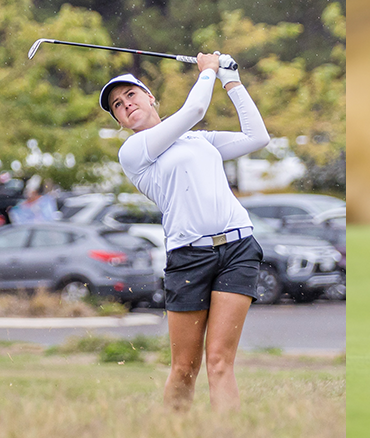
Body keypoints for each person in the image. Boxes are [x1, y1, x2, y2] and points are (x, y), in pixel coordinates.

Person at [100, 53, 270, 410]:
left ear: (151, 99)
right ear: (118, 119)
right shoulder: (134, 152)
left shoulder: (199, 141)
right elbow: (193, 110)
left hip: (238, 248)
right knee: (184, 368)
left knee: (220, 362)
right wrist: (207, 72)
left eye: (131, 95)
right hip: (189, 257)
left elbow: (258, 137)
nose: (126, 104)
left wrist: (230, 79)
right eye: (117, 105)